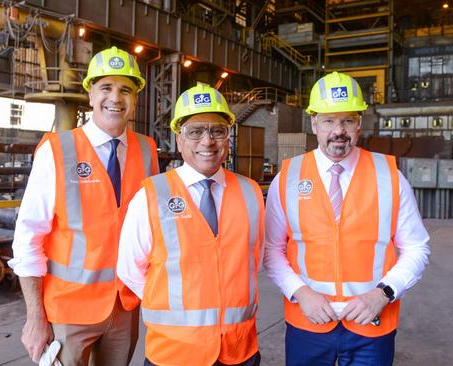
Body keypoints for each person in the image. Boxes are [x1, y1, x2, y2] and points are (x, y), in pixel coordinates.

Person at [263, 72, 431, 366]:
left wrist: (383, 294)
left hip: (371, 320)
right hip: (308, 320)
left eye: (348, 121)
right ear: (313, 122)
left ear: (359, 123)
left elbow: (417, 248)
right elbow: (271, 249)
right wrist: (300, 293)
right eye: (329, 120)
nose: (338, 130)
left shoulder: (390, 177)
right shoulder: (287, 178)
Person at [9, 46, 159, 365]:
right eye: (106, 87)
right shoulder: (58, 150)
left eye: (126, 90)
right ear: (90, 94)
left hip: (124, 308)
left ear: (136, 98)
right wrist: (35, 318)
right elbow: (28, 238)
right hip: (67, 311)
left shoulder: (147, 151)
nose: (115, 98)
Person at [117, 83, 264, 366]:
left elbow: (253, 261)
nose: (207, 142)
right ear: (179, 138)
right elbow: (130, 269)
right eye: (195, 131)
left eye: (217, 131)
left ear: (228, 137)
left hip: (239, 349)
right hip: (174, 354)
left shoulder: (251, 192)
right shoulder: (151, 195)